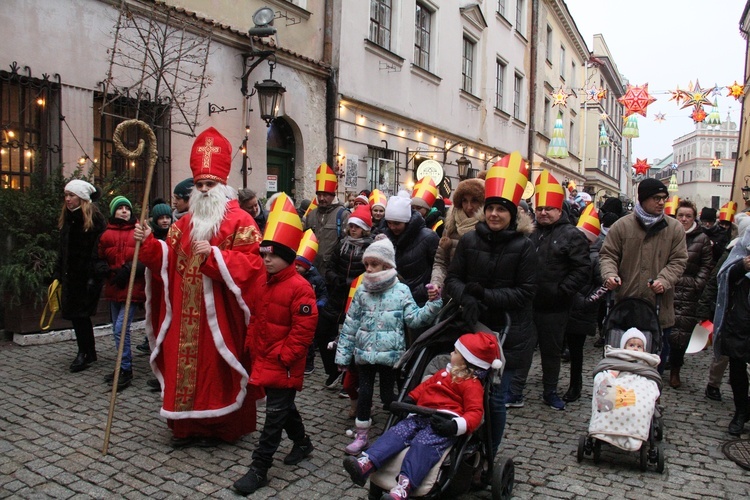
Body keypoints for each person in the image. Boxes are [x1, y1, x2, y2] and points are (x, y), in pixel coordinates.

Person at [134, 127, 264, 447]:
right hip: (185, 317)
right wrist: (147, 243)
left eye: (211, 184)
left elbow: (254, 266)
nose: (205, 190)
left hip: (220, 317)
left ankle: (218, 428)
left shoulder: (241, 222)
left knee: (216, 371)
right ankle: (186, 428)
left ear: (222, 185)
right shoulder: (183, 223)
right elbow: (166, 261)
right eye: (200, 184)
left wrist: (217, 257)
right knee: (186, 370)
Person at [444, 151, 537, 455]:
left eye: (502, 210)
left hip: (508, 336)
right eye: (491, 208)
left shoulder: (524, 247)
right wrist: (466, 296)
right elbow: (454, 278)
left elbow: (525, 292)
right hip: (472, 328)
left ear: (513, 215)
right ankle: (459, 445)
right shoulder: (470, 240)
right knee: (462, 390)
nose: (495, 214)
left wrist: (484, 294)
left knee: (495, 398)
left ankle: (489, 453)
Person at [342, 332, 500, 500]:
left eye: (455, 352)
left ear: (467, 361)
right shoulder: (442, 373)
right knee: (396, 433)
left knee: (422, 446)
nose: (450, 354)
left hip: (443, 423)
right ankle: (367, 463)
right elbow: (425, 387)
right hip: (420, 415)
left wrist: (455, 426)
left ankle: (404, 486)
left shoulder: (471, 385)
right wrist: (410, 400)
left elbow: (475, 413)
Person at [233, 194, 318, 495]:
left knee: (273, 418)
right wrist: (251, 344)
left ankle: (260, 468)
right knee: (284, 410)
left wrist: (285, 356)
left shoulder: (301, 288)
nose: (265, 260)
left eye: (272, 255)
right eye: (263, 254)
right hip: (264, 357)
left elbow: (303, 331)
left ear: (288, 256)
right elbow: (256, 316)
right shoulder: (262, 282)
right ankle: (303, 443)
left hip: (282, 363)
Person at [335, 238, 443, 455]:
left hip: (390, 355)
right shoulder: (362, 291)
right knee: (364, 393)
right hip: (364, 353)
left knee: (387, 395)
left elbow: (414, 319)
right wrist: (343, 355)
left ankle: (402, 425)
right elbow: (351, 324)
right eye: (366, 265)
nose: (369, 269)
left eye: (374, 264)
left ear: (386, 265)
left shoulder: (401, 290)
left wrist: (433, 304)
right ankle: (362, 434)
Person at [510, 170, 590, 411]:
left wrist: (562, 291)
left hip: (555, 307)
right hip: (527, 304)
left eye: (548, 208)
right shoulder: (528, 233)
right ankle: (515, 392)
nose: (543, 212)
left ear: (559, 210)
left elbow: (582, 269)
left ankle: (550, 391)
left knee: (551, 352)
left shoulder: (572, 235)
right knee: (522, 350)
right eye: (540, 208)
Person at [600, 178, 688, 376]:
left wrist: (663, 280)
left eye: (664, 198)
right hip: (626, 306)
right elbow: (608, 255)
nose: (661, 202)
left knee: (654, 361)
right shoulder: (622, 226)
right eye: (656, 198)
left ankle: (651, 401)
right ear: (643, 199)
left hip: (658, 309)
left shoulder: (674, 228)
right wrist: (610, 274)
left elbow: (679, 260)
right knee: (622, 361)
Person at [318, 204, 373, 386]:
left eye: (357, 226)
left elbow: (370, 274)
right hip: (336, 298)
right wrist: (336, 279)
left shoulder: (370, 248)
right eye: (351, 226)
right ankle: (332, 371)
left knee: (352, 341)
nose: (353, 229)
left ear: (364, 229)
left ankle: (349, 380)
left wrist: (351, 283)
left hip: (356, 302)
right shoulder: (342, 244)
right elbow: (330, 268)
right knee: (323, 333)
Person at [698, 213, 750, 402]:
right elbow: (717, 280)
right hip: (733, 314)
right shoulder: (734, 252)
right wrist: (704, 308)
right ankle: (714, 384)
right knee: (724, 355)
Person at [97, 195, 146, 391]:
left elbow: (145, 255)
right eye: (120, 208)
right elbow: (99, 256)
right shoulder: (106, 234)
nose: (124, 211)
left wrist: (129, 269)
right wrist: (104, 270)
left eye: (127, 207)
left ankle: (126, 368)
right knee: (116, 329)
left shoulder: (137, 231)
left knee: (120, 329)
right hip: (113, 286)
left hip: (131, 286)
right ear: (113, 212)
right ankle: (121, 366)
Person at [58, 179, 107, 372]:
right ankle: (88, 351)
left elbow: (98, 250)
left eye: (71, 196)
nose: (67, 199)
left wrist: (94, 276)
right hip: (71, 276)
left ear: (82, 198)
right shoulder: (67, 218)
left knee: (81, 315)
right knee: (77, 316)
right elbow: (62, 249)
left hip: (87, 277)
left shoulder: (94, 220)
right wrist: (57, 273)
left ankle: (85, 353)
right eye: (66, 195)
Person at [709, 224, 750, 435]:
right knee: (737, 369)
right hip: (740, 319)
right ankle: (740, 411)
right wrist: (742, 266)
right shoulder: (741, 249)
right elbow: (724, 276)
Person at [668, 200, 713, 389]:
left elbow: (706, 265)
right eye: (681, 215)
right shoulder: (668, 233)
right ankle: (662, 362)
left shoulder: (702, 239)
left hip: (688, 292)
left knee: (681, 334)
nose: (684, 219)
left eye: (688, 216)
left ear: (694, 218)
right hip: (668, 287)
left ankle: (675, 370)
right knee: (665, 330)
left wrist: (697, 284)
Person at [562, 204, 604, 403]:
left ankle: (575, 385)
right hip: (563, 307)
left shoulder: (596, 259)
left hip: (581, 311)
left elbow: (603, 286)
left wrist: (588, 301)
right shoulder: (568, 252)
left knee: (576, 352)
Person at [383, 191, 439, 307]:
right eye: (389, 223)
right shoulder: (385, 236)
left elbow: (438, 266)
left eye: (397, 223)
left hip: (420, 301)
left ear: (407, 221)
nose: (392, 227)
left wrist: (425, 290)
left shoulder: (428, 237)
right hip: (392, 299)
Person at [430, 177, 484, 291]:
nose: (469, 207)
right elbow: (441, 262)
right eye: (464, 200)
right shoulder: (451, 226)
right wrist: (436, 284)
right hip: (453, 293)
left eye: (474, 200)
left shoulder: (488, 228)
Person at [136, 201, 174, 356]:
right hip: (155, 287)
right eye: (161, 218)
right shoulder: (150, 236)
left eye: (167, 217)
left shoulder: (175, 235)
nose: (165, 221)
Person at [304, 163, 350, 278]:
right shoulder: (311, 214)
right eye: (319, 195)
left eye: (325, 195)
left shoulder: (344, 215)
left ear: (333, 195)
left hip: (332, 273)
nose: (321, 198)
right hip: (312, 270)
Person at [295, 229, 329, 377]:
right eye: (294, 264)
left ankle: (309, 363)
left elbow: (324, 295)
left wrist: (319, 304)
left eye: (300, 265)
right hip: (296, 312)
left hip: (311, 313)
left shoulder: (316, 279)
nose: (296, 268)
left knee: (308, 341)